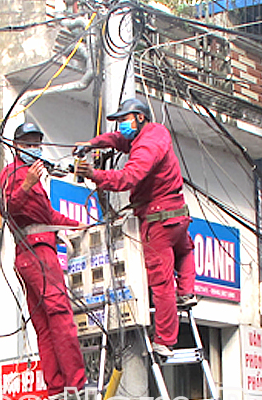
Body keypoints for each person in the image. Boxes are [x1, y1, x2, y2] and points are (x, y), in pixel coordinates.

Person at [74, 97, 197, 357]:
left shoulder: (145, 149)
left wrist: (94, 175)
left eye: (125, 120)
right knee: (185, 250)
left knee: (161, 283)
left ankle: (165, 341)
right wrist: (93, 143)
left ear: (140, 117)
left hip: (157, 219)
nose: (122, 127)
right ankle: (187, 292)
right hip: (178, 213)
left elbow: (128, 178)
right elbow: (121, 140)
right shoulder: (156, 132)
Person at [2, 122, 86, 396]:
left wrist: (77, 225)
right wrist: (26, 184)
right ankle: (75, 380)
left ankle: (56, 383)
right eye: (27, 144)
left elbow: (48, 217)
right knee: (60, 315)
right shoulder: (14, 173)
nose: (33, 149)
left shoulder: (32, 177)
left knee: (44, 322)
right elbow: (9, 208)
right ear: (16, 146)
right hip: (37, 253)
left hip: (31, 254)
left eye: (36, 143)